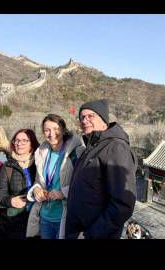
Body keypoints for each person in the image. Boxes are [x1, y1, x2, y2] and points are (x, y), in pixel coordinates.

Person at [65, 99, 137, 239]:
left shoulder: (115, 147)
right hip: (78, 231)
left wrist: (90, 235)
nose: (84, 120)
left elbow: (123, 204)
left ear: (104, 119)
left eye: (90, 116)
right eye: (82, 117)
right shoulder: (92, 147)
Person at [26, 114, 85, 239]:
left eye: (56, 129)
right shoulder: (42, 152)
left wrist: (63, 193)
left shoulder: (76, 152)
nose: (52, 134)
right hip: (45, 216)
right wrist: (36, 189)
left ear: (63, 130)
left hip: (65, 216)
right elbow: (38, 180)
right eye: (47, 130)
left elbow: (84, 184)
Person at [0, 129, 39, 239]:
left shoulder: (40, 164)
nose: (19, 143)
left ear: (32, 143)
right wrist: (10, 201)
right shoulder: (8, 166)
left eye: (24, 140)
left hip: (37, 220)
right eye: (17, 140)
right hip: (14, 222)